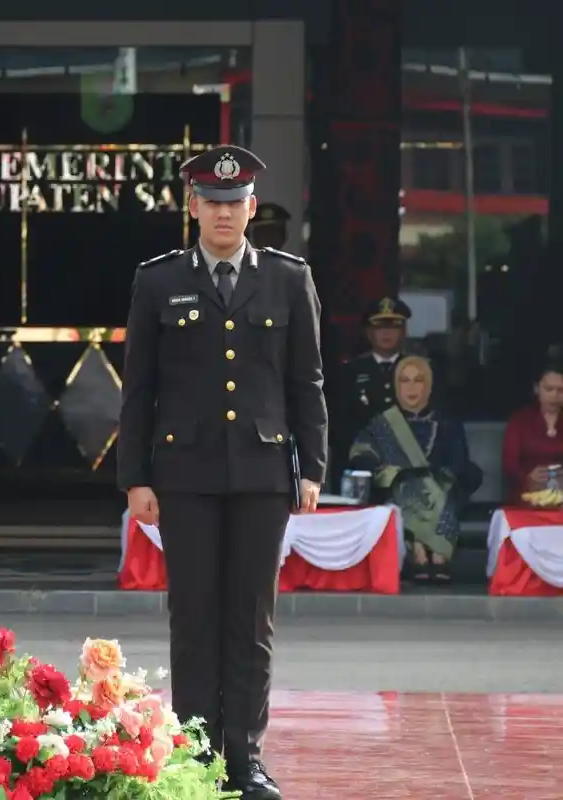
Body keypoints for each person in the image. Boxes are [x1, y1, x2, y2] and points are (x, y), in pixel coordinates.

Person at [117, 145, 327, 800]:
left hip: (263, 473)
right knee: (195, 619)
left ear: (251, 208)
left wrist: (312, 468)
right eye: (212, 202)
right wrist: (136, 477)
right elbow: (139, 387)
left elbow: (307, 383)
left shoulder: (290, 279)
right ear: (193, 207)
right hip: (185, 473)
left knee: (251, 620)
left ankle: (246, 758)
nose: (224, 214)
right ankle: (196, 754)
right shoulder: (158, 280)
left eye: (235, 204)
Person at [348, 356, 479, 583]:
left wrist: (433, 479)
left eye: (418, 380)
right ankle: (420, 550)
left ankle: (436, 555)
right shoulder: (383, 423)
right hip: (400, 490)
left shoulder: (447, 423)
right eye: (404, 380)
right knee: (405, 492)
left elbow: (458, 461)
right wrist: (387, 470)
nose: (411, 388)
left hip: (440, 489)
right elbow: (360, 453)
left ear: (428, 385)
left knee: (440, 494)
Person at [331, 297, 411, 485]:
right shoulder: (350, 371)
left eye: (393, 327)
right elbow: (339, 424)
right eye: (379, 327)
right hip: (360, 466)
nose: (386, 333)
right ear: (368, 332)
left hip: (405, 468)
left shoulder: (416, 371)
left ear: (403, 332)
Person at [502, 360, 563, 502]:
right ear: (537, 389)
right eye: (548, 389)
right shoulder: (520, 421)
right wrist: (527, 479)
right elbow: (509, 466)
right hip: (527, 495)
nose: (554, 395)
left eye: (561, 390)